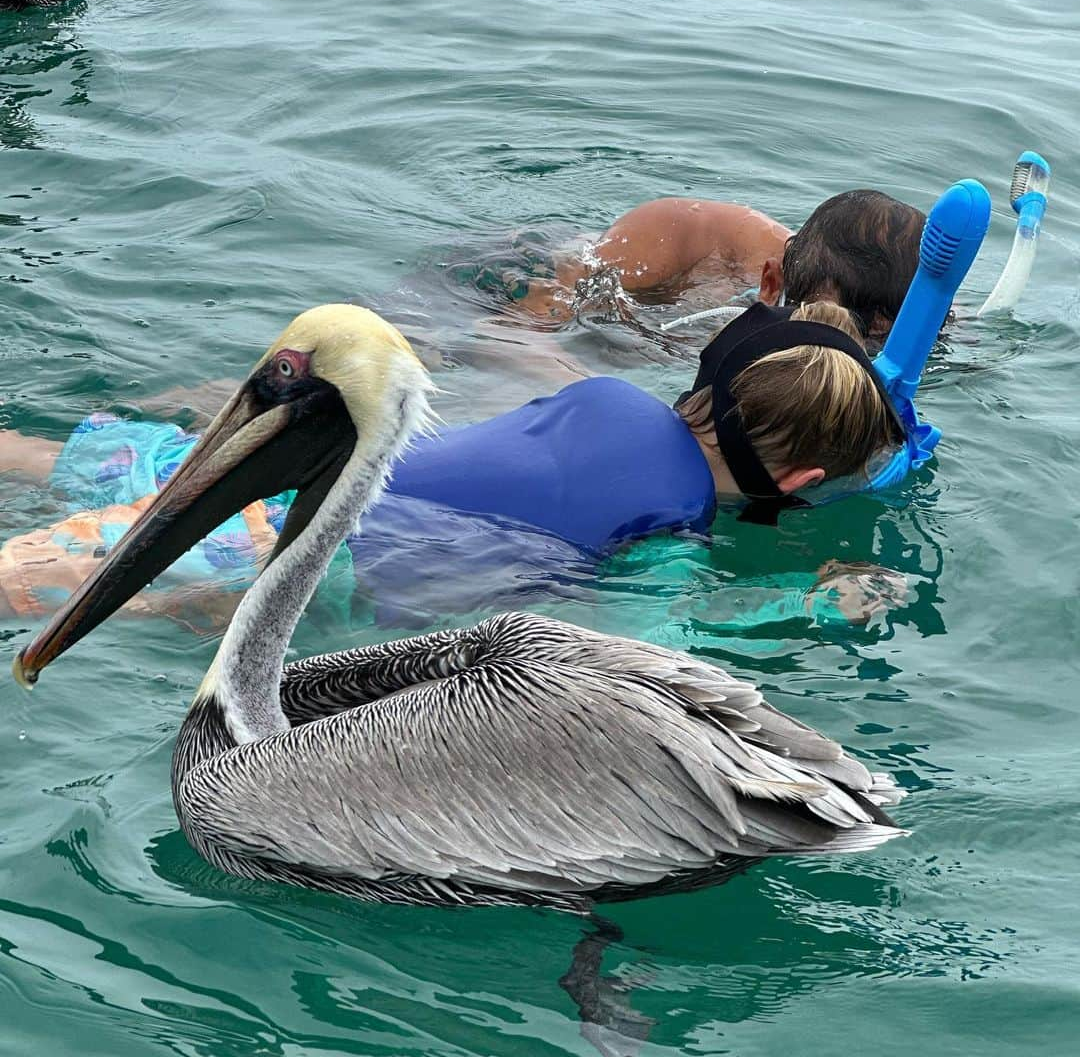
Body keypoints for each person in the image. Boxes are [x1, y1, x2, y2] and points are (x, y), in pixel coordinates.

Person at [0, 301, 904, 627]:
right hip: (322, 546)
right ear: (799, 487)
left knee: (60, 461)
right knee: (112, 590)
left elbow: (525, 381)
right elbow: (655, 639)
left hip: (305, 465)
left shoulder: (606, 396)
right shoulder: (672, 534)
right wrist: (810, 601)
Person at [502, 188, 926, 343]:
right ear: (773, 282)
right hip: (515, 267)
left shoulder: (904, 306)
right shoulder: (677, 233)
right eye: (815, 321)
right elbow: (526, 324)